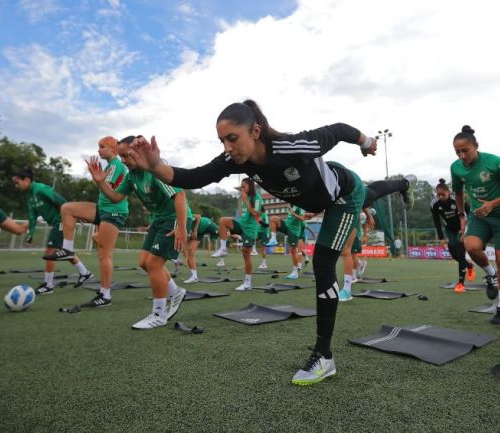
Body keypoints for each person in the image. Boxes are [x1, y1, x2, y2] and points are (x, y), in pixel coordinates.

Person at [125, 99, 376, 386]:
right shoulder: (234, 162)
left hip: (343, 197)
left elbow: (340, 129)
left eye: (232, 138)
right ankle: (403, 184)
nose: (227, 148)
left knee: (323, 261)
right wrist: (155, 165)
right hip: (317, 198)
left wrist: (366, 142)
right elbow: (193, 177)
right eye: (222, 141)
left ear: (255, 131)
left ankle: (324, 356)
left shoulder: (293, 146)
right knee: (375, 194)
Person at [86, 137, 188, 328]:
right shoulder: (131, 176)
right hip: (159, 220)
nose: (123, 160)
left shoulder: (155, 169)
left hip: (174, 219)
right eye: (121, 156)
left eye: (126, 155)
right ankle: (176, 292)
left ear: (139, 153)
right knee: (143, 263)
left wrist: (181, 227)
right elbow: (116, 197)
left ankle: (159, 314)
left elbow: (180, 195)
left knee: (154, 264)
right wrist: (101, 182)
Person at [43, 136, 129, 308]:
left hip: (114, 212)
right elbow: (104, 189)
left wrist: (98, 179)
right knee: (67, 208)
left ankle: (105, 295)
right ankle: (67, 248)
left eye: (102, 146)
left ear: (113, 149)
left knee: (104, 255)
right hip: (102, 209)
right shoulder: (110, 166)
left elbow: (109, 190)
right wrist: (96, 176)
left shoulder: (117, 165)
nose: (98, 150)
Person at [451, 125, 500, 325]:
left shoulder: (495, 162)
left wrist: (492, 204)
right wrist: (462, 215)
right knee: (471, 246)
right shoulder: (455, 167)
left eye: (465, 150)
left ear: (476, 146)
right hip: (478, 215)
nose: (462, 155)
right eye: (457, 152)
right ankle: (491, 277)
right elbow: (457, 193)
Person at [11, 168, 93, 295]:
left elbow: (63, 203)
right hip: (55, 223)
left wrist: (75, 214)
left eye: (17, 182)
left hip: (61, 221)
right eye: (14, 184)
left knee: (50, 252)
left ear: (26, 179)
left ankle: (48, 286)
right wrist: (30, 234)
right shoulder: (29, 196)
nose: (16, 186)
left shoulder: (40, 189)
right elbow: (32, 216)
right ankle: (85, 273)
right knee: (65, 252)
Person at [338, 176, 416, 300]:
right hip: (347, 210)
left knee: (347, 251)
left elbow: (360, 199)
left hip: (353, 206)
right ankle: (343, 285)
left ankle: (405, 184)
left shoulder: (350, 192)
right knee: (342, 252)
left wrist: (368, 217)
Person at [211, 178, 263, 291]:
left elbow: (255, 213)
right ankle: (223, 249)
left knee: (246, 254)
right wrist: (233, 222)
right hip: (241, 225)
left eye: (244, 186)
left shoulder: (256, 197)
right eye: (241, 186)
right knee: (223, 220)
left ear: (250, 186)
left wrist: (245, 201)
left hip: (250, 230)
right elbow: (240, 215)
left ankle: (248, 283)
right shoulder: (242, 199)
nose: (242, 189)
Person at [431, 178, 474, 293]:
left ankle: (461, 283)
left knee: (460, 254)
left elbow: (469, 213)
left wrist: (465, 230)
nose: (440, 197)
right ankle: (469, 265)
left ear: (448, 192)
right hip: (450, 229)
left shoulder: (457, 199)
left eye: (442, 194)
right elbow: (437, 222)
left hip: (462, 227)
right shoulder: (434, 204)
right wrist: (441, 238)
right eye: (438, 194)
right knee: (455, 255)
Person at [268, 205, 312, 279]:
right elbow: (290, 217)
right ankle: (273, 239)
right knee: (273, 218)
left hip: (294, 231)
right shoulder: (291, 204)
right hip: (286, 225)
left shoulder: (300, 206)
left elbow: (302, 218)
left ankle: (295, 272)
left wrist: (292, 212)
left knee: (294, 251)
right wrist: (282, 219)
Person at [184, 213, 220, 283]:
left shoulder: (186, 214)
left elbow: (198, 216)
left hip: (207, 224)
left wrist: (195, 230)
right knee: (190, 252)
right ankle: (194, 277)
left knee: (224, 234)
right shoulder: (174, 220)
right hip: (199, 232)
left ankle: (239, 236)